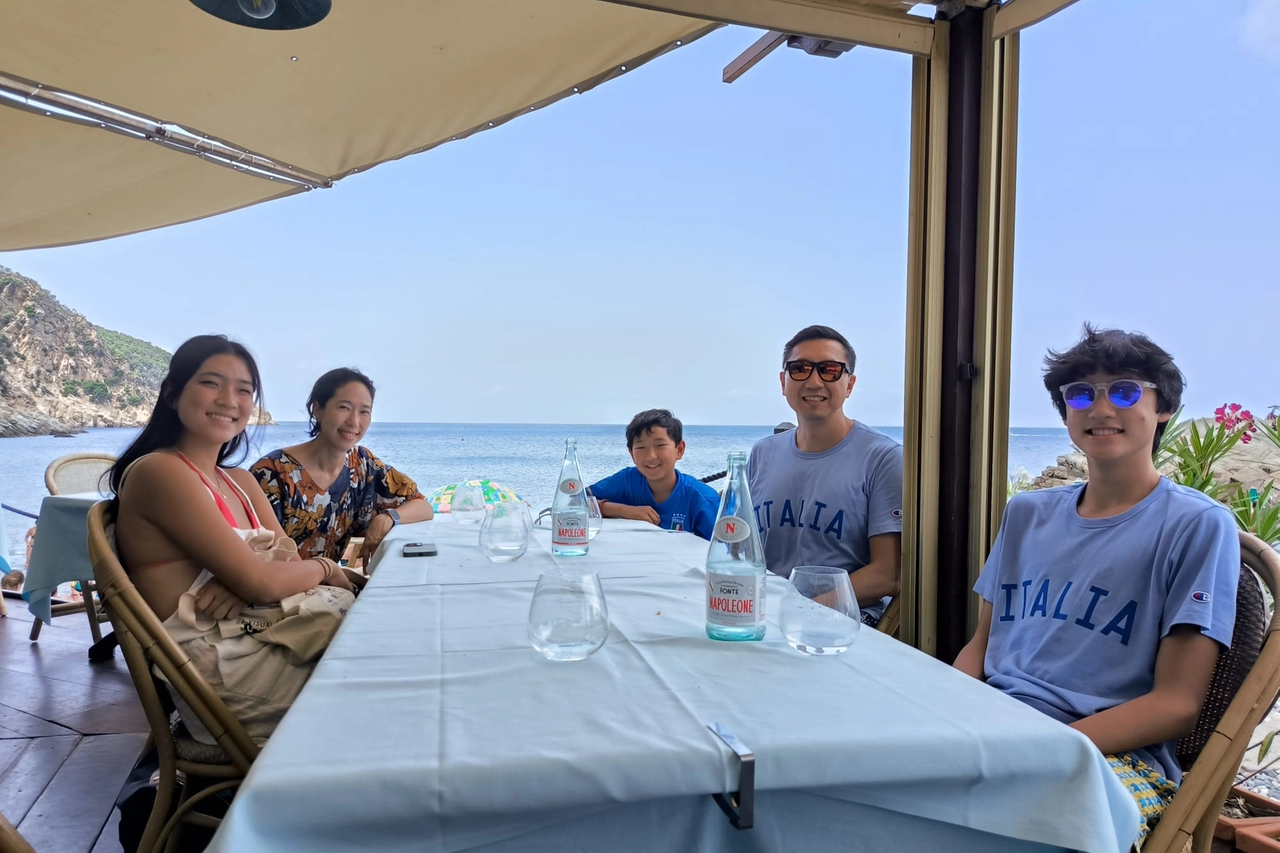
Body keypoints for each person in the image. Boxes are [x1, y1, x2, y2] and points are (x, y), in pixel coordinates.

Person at [953, 325, 1238, 846]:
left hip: (1108, 753)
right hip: (996, 723)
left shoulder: (1196, 525)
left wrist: (1044, 747)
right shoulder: (1027, 514)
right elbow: (982, 645)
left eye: (1125, 390)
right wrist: (952, 710)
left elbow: (1177, 703)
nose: (1100, 408)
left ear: (1163, 408)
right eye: (1081, 393)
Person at [108, 335, 361, 744]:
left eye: (244, 389)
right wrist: (326, 567)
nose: (229, 399)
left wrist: (251, 579)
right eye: (211, 383)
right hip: (223, 674)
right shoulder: (160, 472)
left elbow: (285, 568)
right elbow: (265, 581)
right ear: (173, 393)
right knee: (382, 688)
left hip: (261, 635)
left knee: (391, 661)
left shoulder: (239, 481)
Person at [747, 325, 903, 626]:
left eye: (830, 370)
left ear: (849, 384)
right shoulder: (762, 454)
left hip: (843, 622)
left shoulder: (882, 458)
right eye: (800, 368)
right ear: (783, 381)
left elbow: (888, 574)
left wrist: (801, 612)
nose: (814, 381)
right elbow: (746, 551)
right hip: (765, 616)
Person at [251, 368, 432, 565]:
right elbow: (260, 561)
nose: (354, 421)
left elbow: (423, 506)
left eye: (364, 411)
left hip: (328, 585)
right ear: (317, 409)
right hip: (281, 588)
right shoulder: (272, 474)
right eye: (344, 407)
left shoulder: (362, 465)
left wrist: (387, 518)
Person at [590, 409, 720, 540]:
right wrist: (623, 510)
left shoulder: (703, 500)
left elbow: (723, 551)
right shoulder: (627, 481)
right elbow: (574, 502)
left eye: (660, 445)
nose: (651, 456)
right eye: (641, 447)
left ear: (679, 450)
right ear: (631, 453)